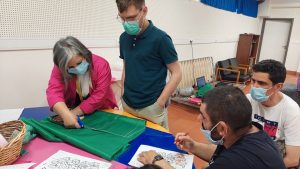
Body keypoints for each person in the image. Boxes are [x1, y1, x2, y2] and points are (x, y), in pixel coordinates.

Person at [137, 86, 285, 169]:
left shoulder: (235, 162)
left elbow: (229, 159)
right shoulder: (252, 131)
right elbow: (224, 152)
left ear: (222, 129)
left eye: (203, 116)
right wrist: (193, 146)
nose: (198, 118)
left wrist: (157, 161)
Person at [116, 0, 182, 129]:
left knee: (156, 146)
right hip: (127, 103)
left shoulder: (161, 39)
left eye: (131, 18)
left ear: (144, 11)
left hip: (152, 106)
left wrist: (160, 102)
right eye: (122, 18)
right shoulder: (123, 38)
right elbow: (127, 65)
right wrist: (123, 90)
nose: (126, 23)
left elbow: (177, 72)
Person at [46, 36, 117, 128]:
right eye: (70, 67)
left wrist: (73, 113)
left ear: (85, 54)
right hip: (72, 106)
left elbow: (100, 95)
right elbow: (53, 91)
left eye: (79, 63)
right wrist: (65, 114)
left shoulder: (101, 65)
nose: (76, 69)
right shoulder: (60, 67)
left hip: (101, 109)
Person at [247, 59, 300, 168]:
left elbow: (292, 159)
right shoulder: (247, 100)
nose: (255, 86)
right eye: (253, 81)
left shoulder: (291, 110)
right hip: (252, 148)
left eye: (261, 83)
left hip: (275, 155)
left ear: (278, 87)